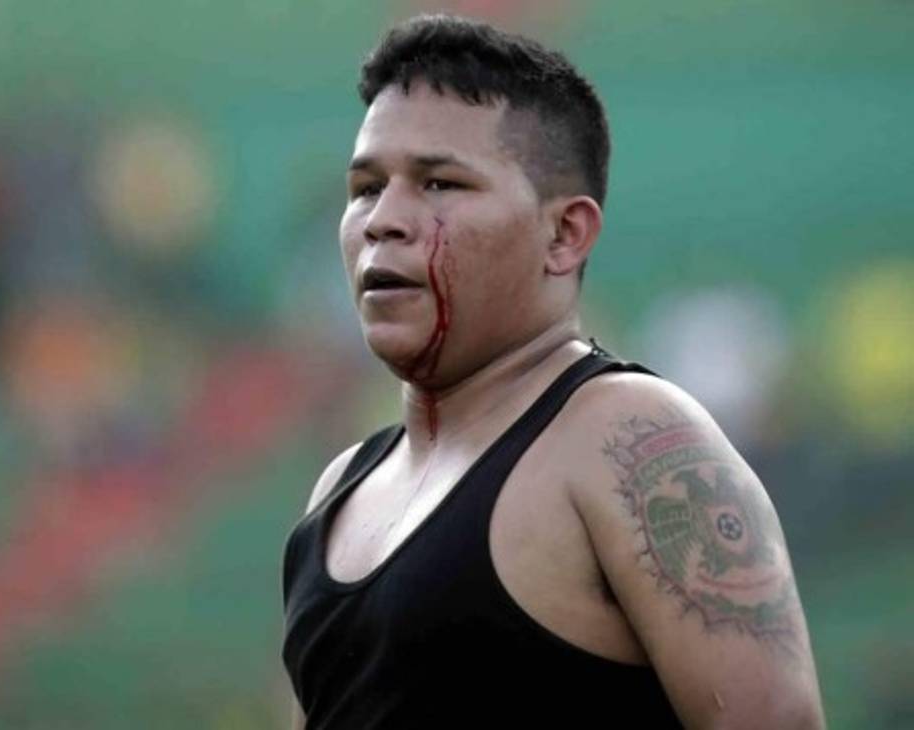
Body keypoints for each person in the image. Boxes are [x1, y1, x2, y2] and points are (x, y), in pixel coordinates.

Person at [280, 14, 824, 729]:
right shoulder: (339, 490)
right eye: (365, 188)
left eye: (440, 184)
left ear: (564, 234)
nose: (384, 219)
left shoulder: (627, 437)